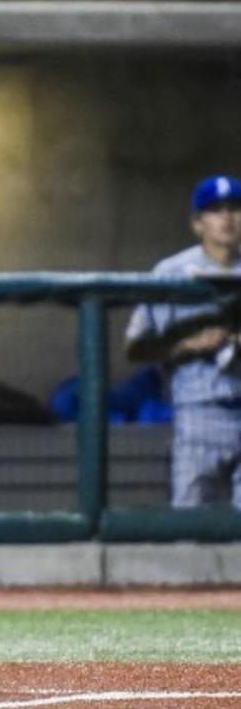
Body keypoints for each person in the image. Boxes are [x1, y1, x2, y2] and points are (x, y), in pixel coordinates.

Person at [125, 175, 241, 508]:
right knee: (189, 527)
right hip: (199, 411)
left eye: (235, 208)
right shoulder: (171, 272)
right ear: (198, 223)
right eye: (215, 210)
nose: (227, 217)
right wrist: (188, 346)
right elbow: (134, 347)